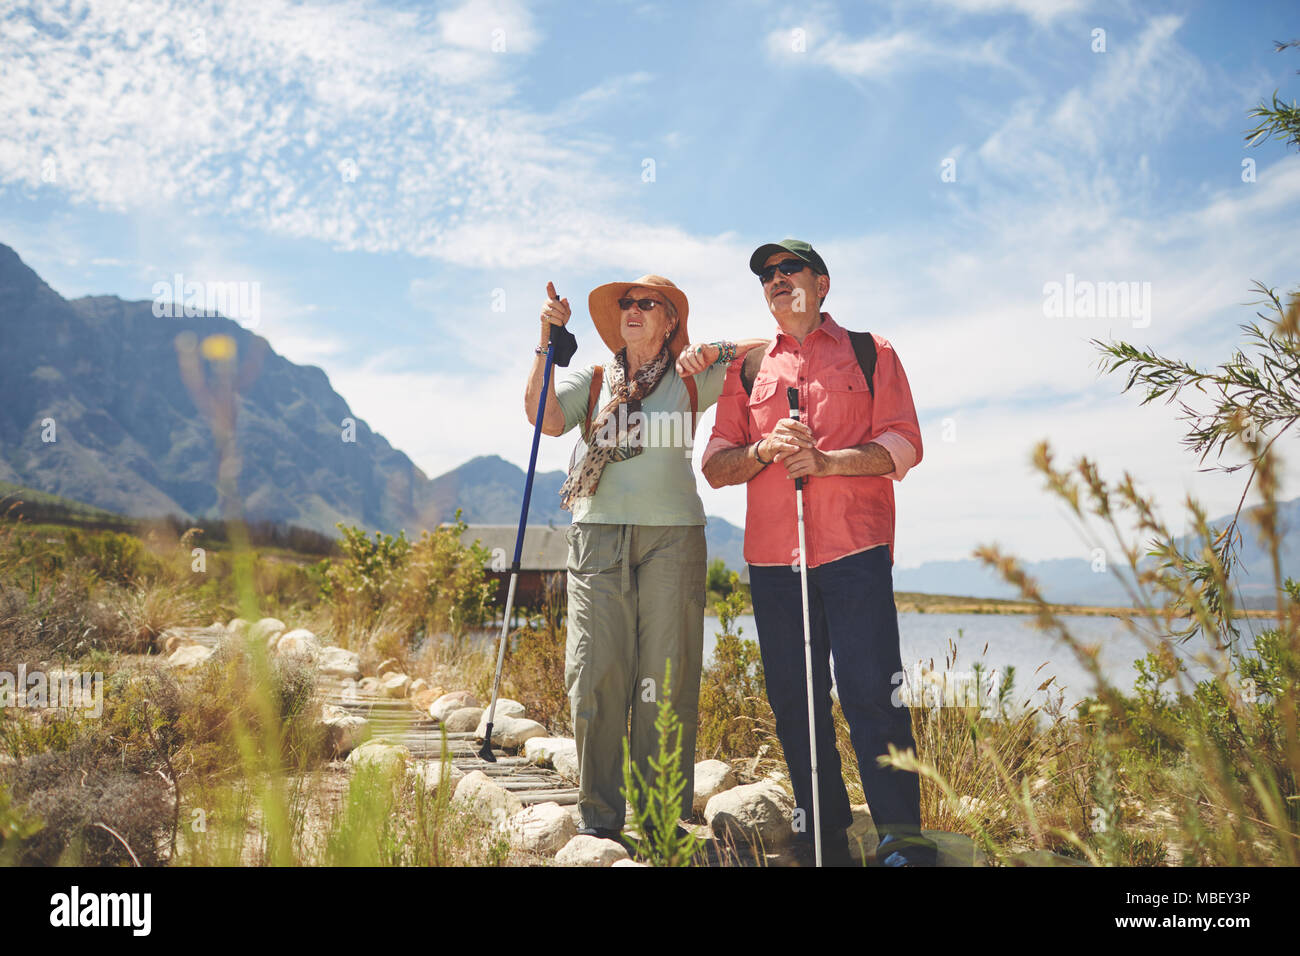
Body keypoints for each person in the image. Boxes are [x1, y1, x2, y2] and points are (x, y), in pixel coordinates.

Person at [700, 239, 937, 867]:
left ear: (822, 283)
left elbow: (905, 444)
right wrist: (763, 450)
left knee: (870, 692)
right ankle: (823, 831)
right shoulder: (748, 371)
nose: (777, 280)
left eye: (789, 269)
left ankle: (899, 835)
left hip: (855, 551)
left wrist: (827, 461)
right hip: (775, 562)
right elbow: (715, 465)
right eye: (767, 276)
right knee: (793, 699)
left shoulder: (871, 352)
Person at [525, 275, 762, 844]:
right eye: (626, 303)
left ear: (669, 321)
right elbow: (546, 419)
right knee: (595, 674)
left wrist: (721, 349)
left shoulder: (691, 375)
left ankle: (658, 817)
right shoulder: (599, 377)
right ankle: (600, 818)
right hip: (597, 535)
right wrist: (544, 339)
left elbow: (771, 353)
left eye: (646, 303)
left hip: (674, 540)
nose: (632, 309)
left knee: (667, 678)